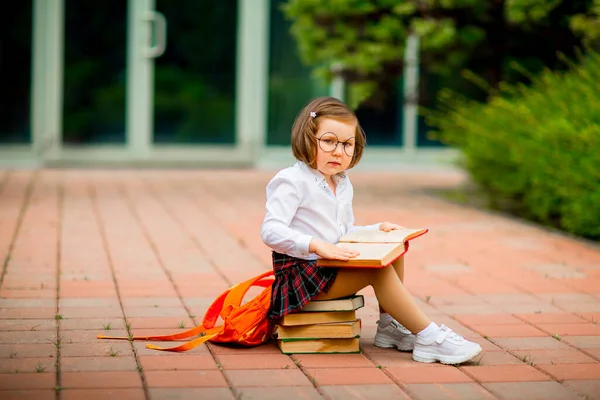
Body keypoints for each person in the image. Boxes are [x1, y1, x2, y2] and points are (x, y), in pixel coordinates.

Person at [261, 96, 482, 364]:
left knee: (391, 249)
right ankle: (429, 337)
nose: (338, 152)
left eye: (347, 144)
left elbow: (345, 231)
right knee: (376, 270)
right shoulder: (292, 181)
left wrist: (376, 230)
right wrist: (315, 244)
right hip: (301, 277)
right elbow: (271, 230)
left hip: (329, 266)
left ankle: (390, 327)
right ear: (308, 139)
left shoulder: (341, 182)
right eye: (329, 141)